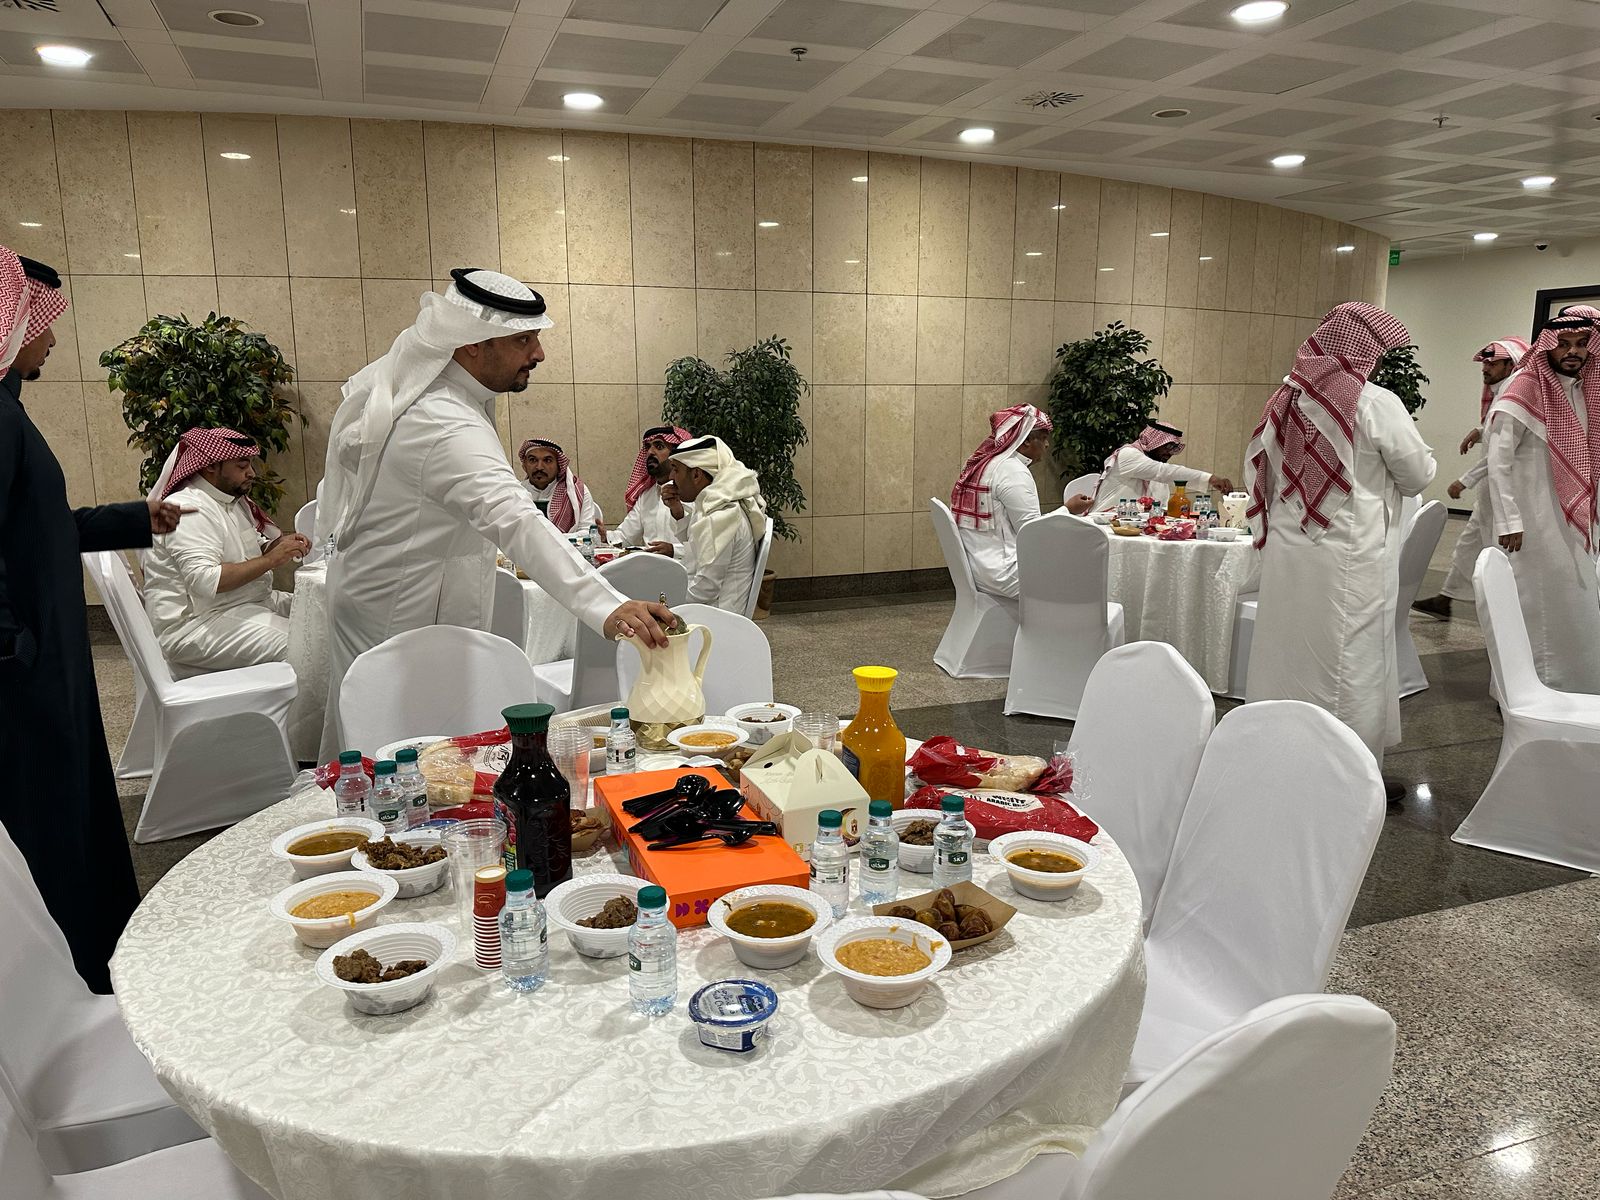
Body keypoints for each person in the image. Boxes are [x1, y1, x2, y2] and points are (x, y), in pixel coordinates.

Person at [318, 270, 670, 755]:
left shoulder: (453, 396)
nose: (539, 354)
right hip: (397, 611)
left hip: (414, 597)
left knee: (444, 753)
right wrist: (607, 606)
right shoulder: (442, 419)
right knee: (394, 759)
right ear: (471, 344)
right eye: (523, 340)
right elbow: (516, 518)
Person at [0, 248, 184, 993]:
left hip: (46, 656)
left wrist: (132, 518)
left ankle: (105, 957)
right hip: (25, 671)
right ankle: (76, 980)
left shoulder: (9, 410)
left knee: (75, 809)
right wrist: (14, 647)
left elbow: (38, 527)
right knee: (49, 821)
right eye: (39, 322)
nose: (49, 338)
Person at [1244, 303, 1436, 786]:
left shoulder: (1286, 397)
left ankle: (1277, 756)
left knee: (1286, 650)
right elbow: (1416, 475)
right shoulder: (1375, 402)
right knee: (1350, 658)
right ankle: (1346, 777)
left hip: (1290, 547)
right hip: (1352, 551)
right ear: (1366, 349)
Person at [1484, 307, 1600, 692]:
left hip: (1574, 522)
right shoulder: (1524, 388)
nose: (1573, 351)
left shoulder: (1586, 389)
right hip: (1532, 521)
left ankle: (1572, 687)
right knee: (1533, 604)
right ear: (1547, 346)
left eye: (1581, 343)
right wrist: (1508, 520)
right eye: (1563, 344)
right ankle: (1526, 691)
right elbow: (1498, 460)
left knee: (1573, 602)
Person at [141, 428, 309, 671]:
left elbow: (248, 550)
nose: (251, 473)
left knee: (326, 613)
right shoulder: (188, 509)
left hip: (248, 602)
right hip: (196, 625)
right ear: (211, 465)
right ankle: (307, 698)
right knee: (304, 646)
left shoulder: (230, 501)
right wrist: (271, 559)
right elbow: (206, 581)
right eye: (242, 466)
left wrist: (277, 545)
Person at [1413, 337, 1530, 620]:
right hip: (1489, 494)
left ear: (1510, 365)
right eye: (1485, 363)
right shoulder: (1503, 393)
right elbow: (1495, 434)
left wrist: (1464, 480)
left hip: (1505, 494)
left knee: (1500, 553)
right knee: (1468, 546)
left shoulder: (1513, 396)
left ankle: (1509, 614)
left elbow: (1499, 456)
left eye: (1493, 363)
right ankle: (1445, 599)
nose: (1486, 368)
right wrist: (1479, 432)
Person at [950, 403, 1081, 601]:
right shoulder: (1013, 471)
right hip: (1006, 575)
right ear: (1026, 440)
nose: (1047, 445)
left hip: (977, 568)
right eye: (1043, 438)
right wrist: (1068, 510)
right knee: (1085, 565)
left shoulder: (985, 464)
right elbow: (1032, 533)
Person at [666, 435, 766, 611]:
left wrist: (666, 604)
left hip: (716, 617)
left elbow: (706, 589)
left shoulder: (721, 515)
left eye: (675, 470)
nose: (671, 476)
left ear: (696, 474)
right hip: (714, 609)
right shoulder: (714, 504)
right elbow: (695, 546)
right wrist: (677, 510)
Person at [1093, 422, 1233, 510]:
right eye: (1167, 446)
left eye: (1174, 448)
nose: (1170, 453)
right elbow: (1164, 472)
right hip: (1103, 525)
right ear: (1153, 441)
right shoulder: (1128, 454)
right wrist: (1210, 479)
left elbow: (1161, 506)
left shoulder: (1153, 467)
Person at [615, 425, 691, 556]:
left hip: (685, 566)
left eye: (659, 446)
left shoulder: (694, 492)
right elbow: (625, 536)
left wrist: (674, 551)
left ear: (677, 455)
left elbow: (705, 548)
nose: (650, 452)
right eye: (648, 447)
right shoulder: (646, 495)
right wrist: (603, 537)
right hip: (650, 565)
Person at [518, 437, 605, 539]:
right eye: (532, 460)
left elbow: (588, 533)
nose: (539, 467)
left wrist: (549, 540)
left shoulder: (578, 492)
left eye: (547, 460)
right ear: (524, 465)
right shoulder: (516, 493)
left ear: (559, 466)